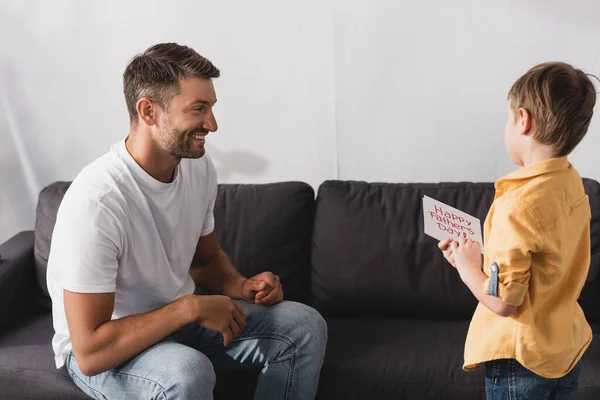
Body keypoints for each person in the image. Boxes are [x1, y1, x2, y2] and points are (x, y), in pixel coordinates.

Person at [46, 42, 327, 400]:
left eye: (210, 108)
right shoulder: (98, 202)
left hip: (177, 324)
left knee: (304, 326)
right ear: (149, 111)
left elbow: (204, 260)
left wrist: (243, 286)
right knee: (187, 372)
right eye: (198, 109)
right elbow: (90, 351)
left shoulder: (197, 167)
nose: (212, 124)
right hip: (110, 349)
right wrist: (188, 308)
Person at [439, 62, 597, 399]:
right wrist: (473, 261)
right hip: (565, 349)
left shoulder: (518, 206)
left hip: (521, 359)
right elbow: (544, 267)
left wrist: (468, 270)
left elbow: (504, 303)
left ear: (522, 120)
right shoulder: (571, 182)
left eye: (508, 118)